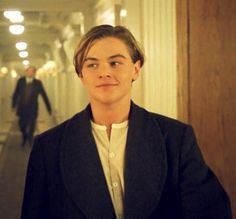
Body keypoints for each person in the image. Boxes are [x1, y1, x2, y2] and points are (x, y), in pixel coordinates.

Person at [21, 25, 232, 219]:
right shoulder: (48, 147)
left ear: (136, 69)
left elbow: (211, 211)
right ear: (81, 75)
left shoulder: (176, 139)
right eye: (92, 65)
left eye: (115, 63)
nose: (104, 72)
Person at [12, 66, 52, 146]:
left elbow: (44, 95)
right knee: (21, 125)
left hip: (33, 108)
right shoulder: (20, 81)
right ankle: (25, 137)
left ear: (34, 73)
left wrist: (49, 108)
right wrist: (13, 105)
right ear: (26, 72)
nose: (30, 73)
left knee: (32, 125)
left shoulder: (38, 83)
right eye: (29, 71)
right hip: (22, 108)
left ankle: (30, 140)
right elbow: (16, 93)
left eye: (32, 71)